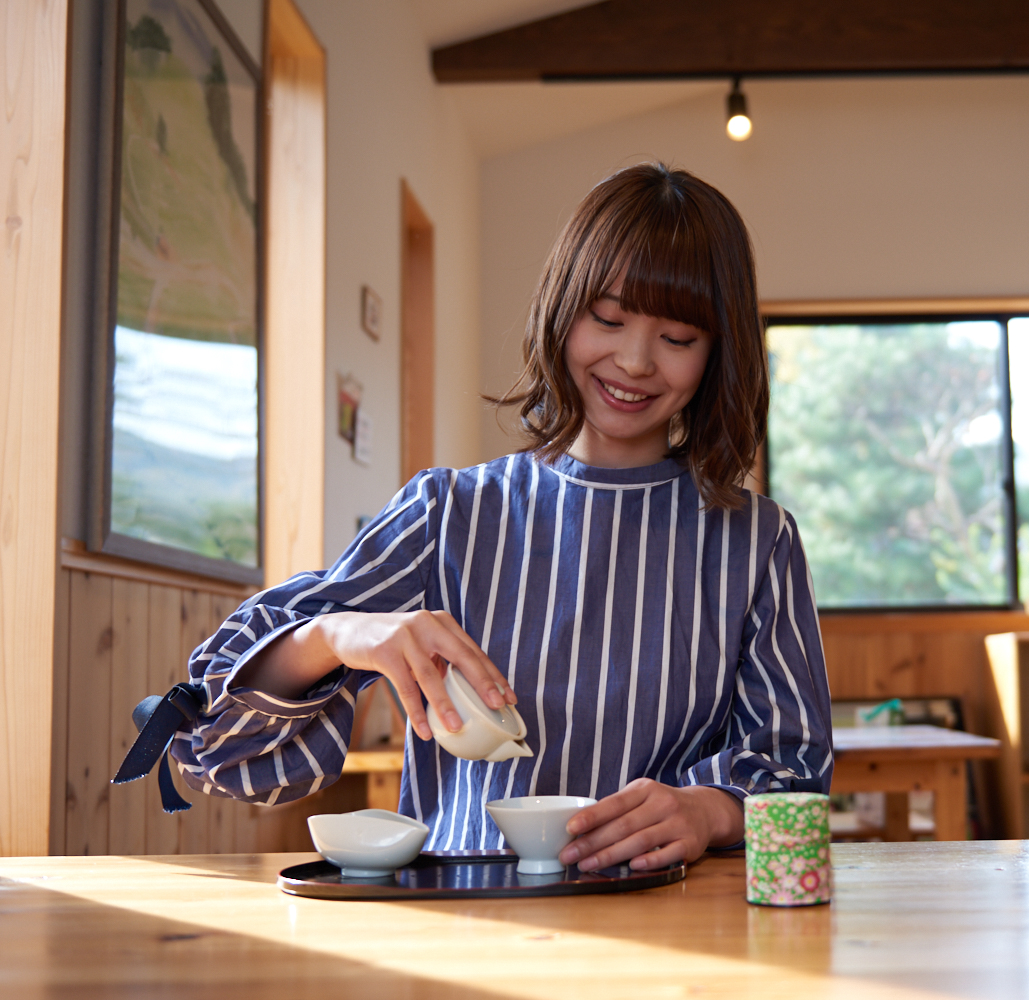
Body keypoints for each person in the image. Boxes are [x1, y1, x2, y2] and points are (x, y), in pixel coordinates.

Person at [171, 163, 832, 873]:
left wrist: (707, 809)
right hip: (463, 926)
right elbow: (212, 740)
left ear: (717, 354)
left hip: (676, 928)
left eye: (678, 338)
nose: (635, 361)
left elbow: (796, 773)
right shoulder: (446, 513)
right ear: (560, 310)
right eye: (607, 319)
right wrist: (337, 634)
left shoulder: (758, 541)